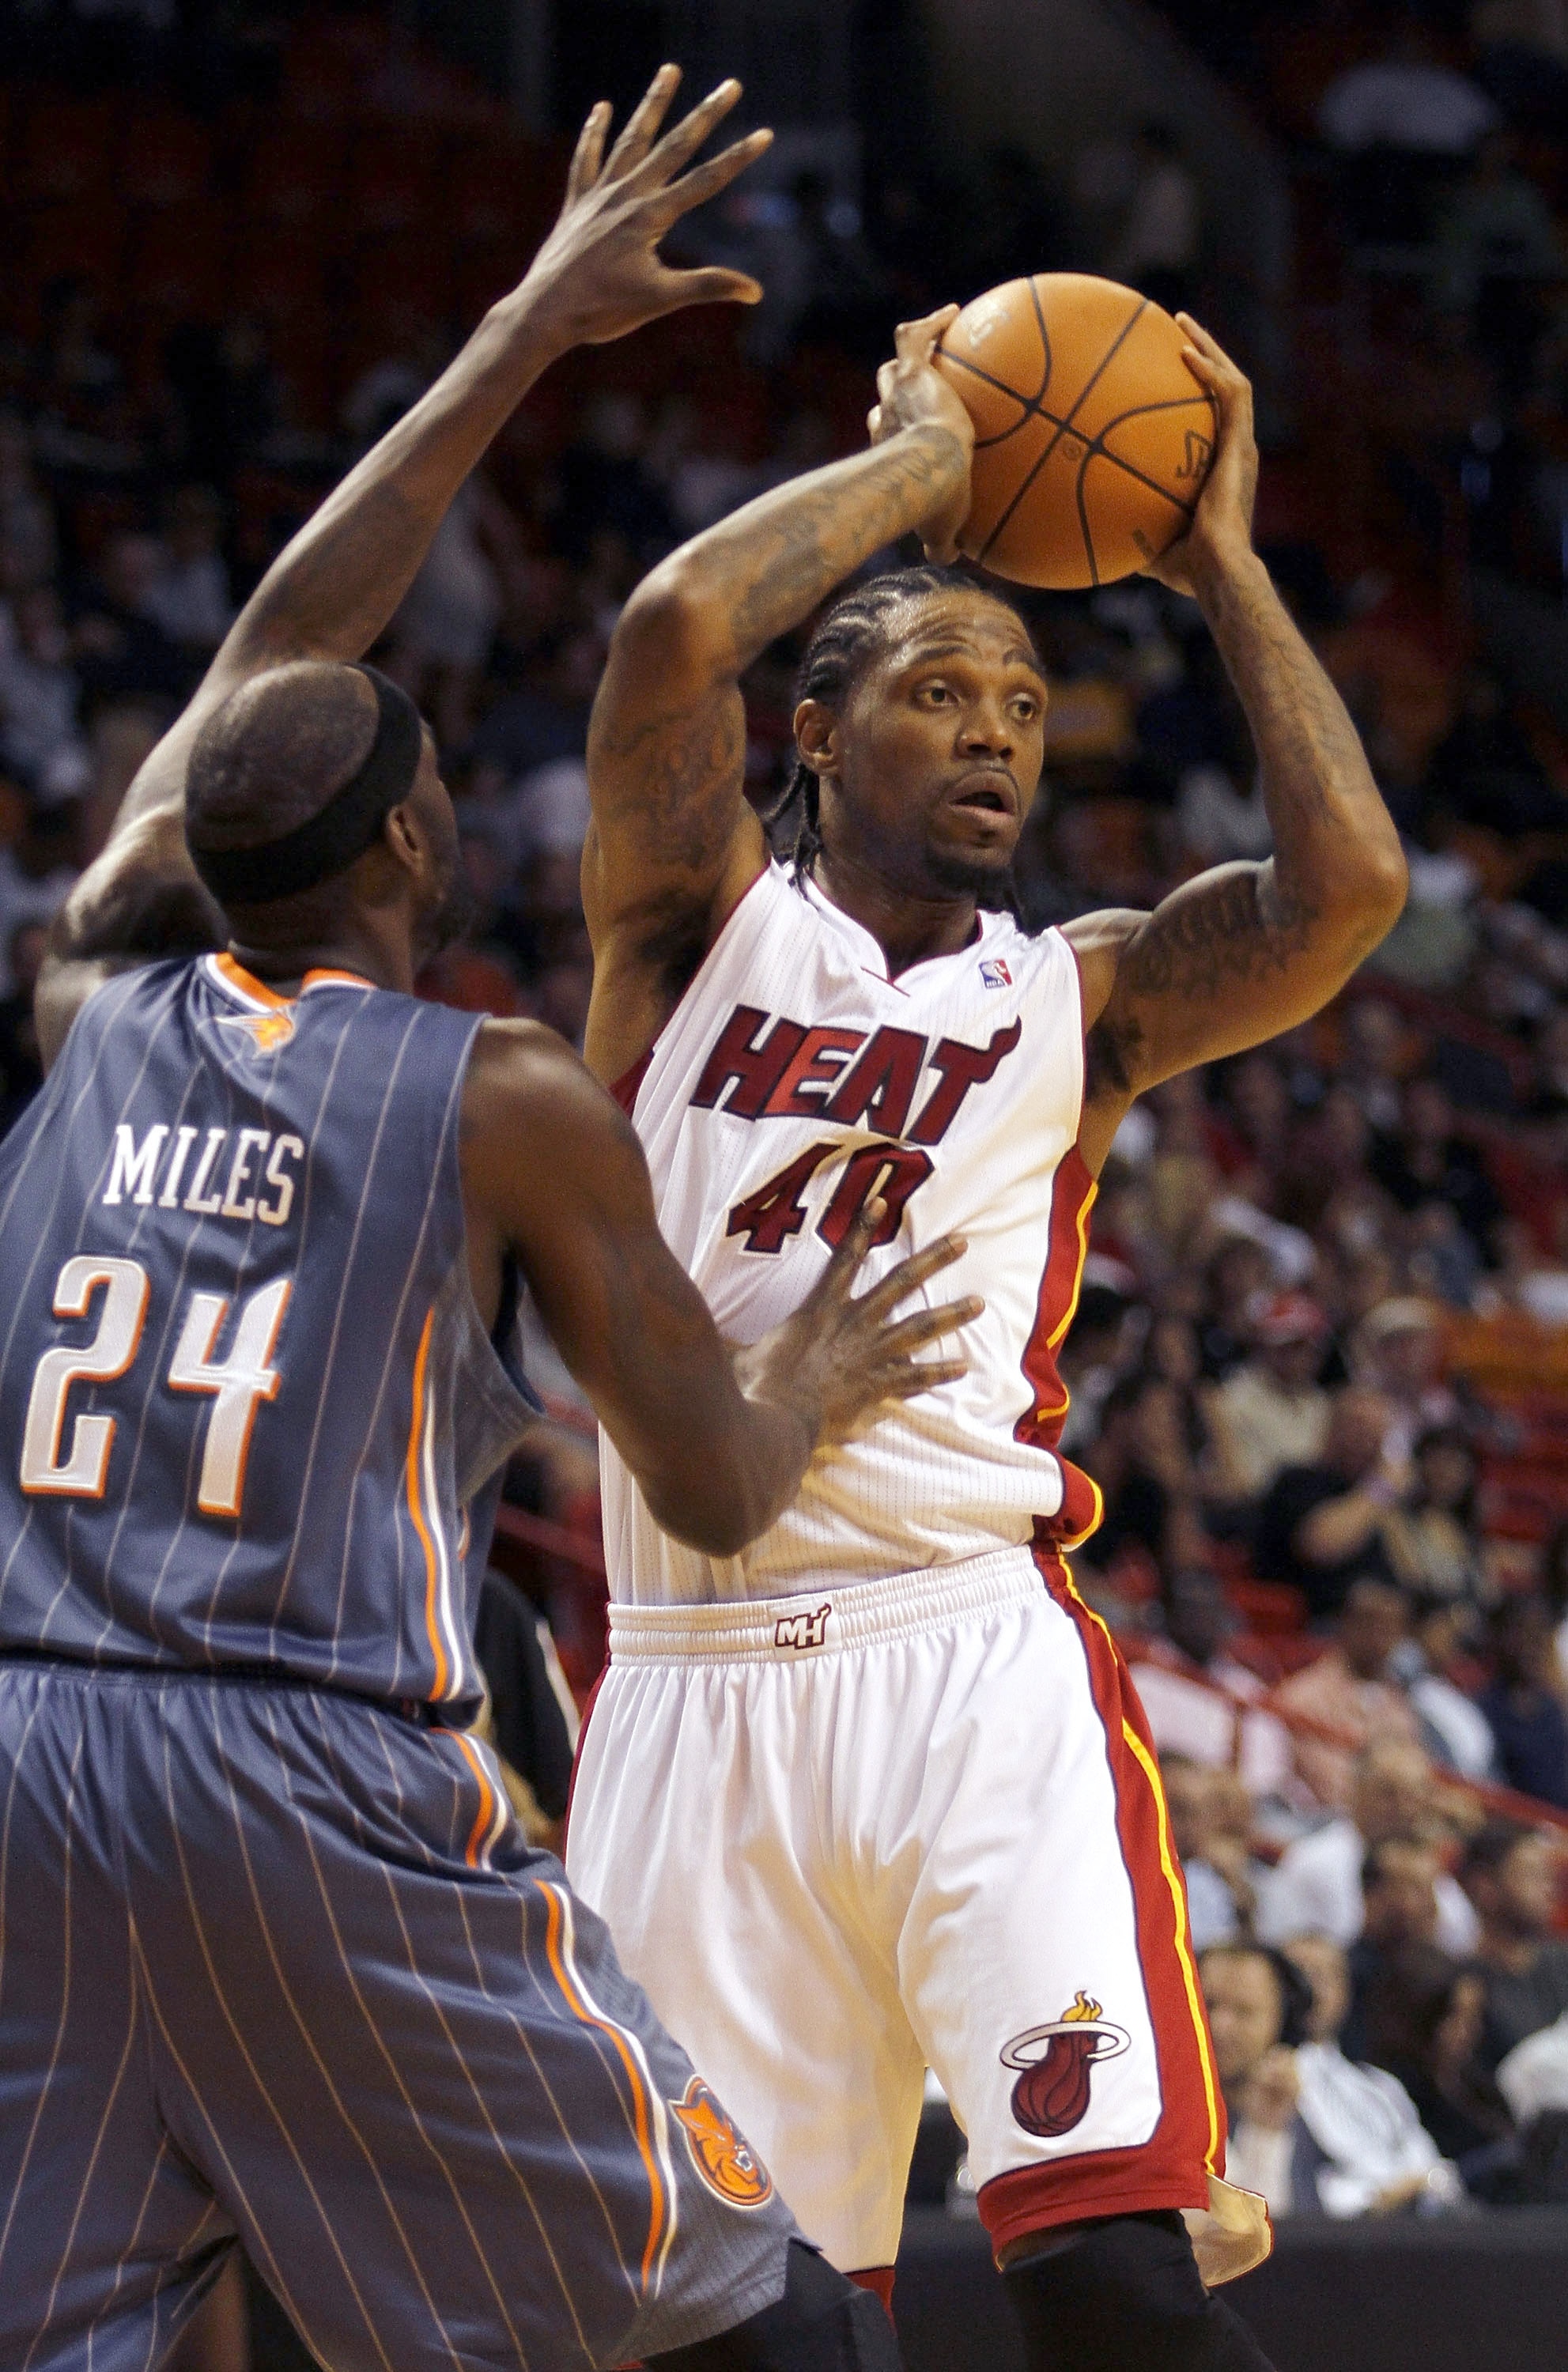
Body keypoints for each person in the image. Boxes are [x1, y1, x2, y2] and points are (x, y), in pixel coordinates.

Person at [0, 71, 965, 2372]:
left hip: (28, 1763)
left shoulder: (84, 999)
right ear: (420, 849)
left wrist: (526, 320)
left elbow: (262, 666)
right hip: (304, 1768)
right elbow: (712, 1480)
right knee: (753, 2316)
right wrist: (819, 1353)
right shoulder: (501, 1095)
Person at [566, 232, 1407, 2360]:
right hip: (684, 1682)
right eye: (938, 690)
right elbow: (673, 622)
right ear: (816, 729)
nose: (994, 738)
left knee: (1113, 2277)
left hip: (969, 1671)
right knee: (738, 2333)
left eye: (1025, 704)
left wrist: (1212, 562)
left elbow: (1343, 898)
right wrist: (934, 461)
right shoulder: (688, 929)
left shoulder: (1083, 993)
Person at [1281, 1932, 1463, 2217]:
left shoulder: (1379, 2085)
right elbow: (1302, 2183)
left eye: (1330, 1975)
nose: (1316, 1988)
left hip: (1422, 2223)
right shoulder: (1272, 2085)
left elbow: (1434, 2168)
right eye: (1302, 1974)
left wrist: (1420, 2186)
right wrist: (1376, 2200)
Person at [1256, 1738, 1478, 1957]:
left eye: (1415, 1795)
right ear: (1357, 1791)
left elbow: (1461, 1940)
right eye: (1389, 1793)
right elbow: (1281, 1948)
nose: (1405, 1808)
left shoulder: (1437, 1878)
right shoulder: (1313, 1863)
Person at [1253, 1388, 1407, 1620]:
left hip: (1384, 1631)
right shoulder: (1298, 1481)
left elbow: (1410, 1575)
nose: (1365, 1440)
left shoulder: (1372, 1498)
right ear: (1331, 1427)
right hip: (1315, 1625)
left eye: (1376, 1432)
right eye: (1357, 1427)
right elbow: (1321, 1546)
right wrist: (1380, 1488)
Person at [1272, 1577, 1423, 1810]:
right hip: (1323, 1820)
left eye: (1392, 1628)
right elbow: (1328, 1784)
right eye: (1372, 1625)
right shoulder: (1303, 1694)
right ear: (1347, 1623)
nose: (1382, 1639)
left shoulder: (1399, 1701)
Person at [1196, 1944, 1313, 2220]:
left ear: (1282, 2024)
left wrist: (1266, 2130)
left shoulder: (1316, 2113)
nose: (1219, 2025)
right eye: (1208, 2004)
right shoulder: (1159, 2115)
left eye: (1243, 2011)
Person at [1460, 1820, 1568, 2076]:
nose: (1548, 1889)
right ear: (1485, 1887)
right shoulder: (1467, 1988)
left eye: (1548, 1876)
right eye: (1532, 1874)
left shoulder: (1562, 1960)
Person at [1479, 1596, 1568, 1807]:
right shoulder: (1485, 1710)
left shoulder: (1553, 1706)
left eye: (1538, 1636)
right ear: (1501, 1638)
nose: (1532, 1646)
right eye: (1522, 1635)